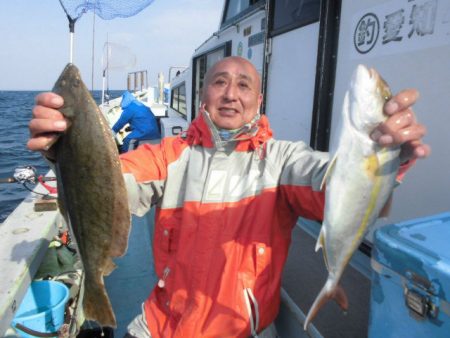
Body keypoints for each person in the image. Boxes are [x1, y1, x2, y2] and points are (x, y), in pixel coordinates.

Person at [28, 56, 430, 338]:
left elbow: (336, 186)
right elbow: (114, 182)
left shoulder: (283, 160)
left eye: (244, 85)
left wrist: (388, 159)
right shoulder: (170, 156)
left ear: (258, 101)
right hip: (160, 326)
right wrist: (68, 148)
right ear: (203, 97)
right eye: (220, 82)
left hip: (245, 330)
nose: (231, 94)